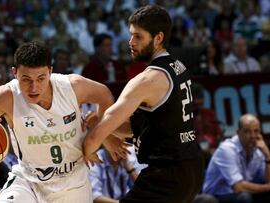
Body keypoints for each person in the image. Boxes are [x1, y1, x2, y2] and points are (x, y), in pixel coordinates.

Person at [0, 41, 114, 203]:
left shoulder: (72, 86)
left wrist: (99, 138)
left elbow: (105, 95)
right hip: (29, 181)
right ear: (14, 73)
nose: (33, 87)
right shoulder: (6, 96)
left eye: (41, 78)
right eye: (26, 79)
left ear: (50, 71)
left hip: (73, 184)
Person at [83, 5, 204, 203]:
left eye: (138, 37)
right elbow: (138, 129)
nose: (131, 42)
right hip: (190, 166)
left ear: (158, 38)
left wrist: (87, 150)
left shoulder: (146, 80)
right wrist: (104, 126)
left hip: (167, 174)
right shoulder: (178, 66)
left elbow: (96, 136)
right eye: (131, 35)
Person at [203, 114, 270, 203]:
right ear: (238, 132)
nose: (252, 136)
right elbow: (238, 187)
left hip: (240, 193)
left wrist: (267, 156)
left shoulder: (258, 149)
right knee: (244, 197)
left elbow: (267, 180)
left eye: (256, 131)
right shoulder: (227, 149)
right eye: (247, 131)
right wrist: (267, 188)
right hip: (216, 197)